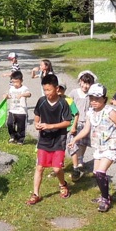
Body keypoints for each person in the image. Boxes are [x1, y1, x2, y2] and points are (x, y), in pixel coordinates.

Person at [70, 83, 116, 212]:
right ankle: (105, 195)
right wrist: (75, 139)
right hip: (99, 147)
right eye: (91, 98)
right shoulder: (90, 113)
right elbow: (86, 129)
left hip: (111, 146)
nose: (94, 102)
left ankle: (106, 200)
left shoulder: (110, 112)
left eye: (97, 99)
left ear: (104, 99)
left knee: (100, 172)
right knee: (96, 173)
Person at [26, 74, 73, 205]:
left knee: (56, 169)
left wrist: (50, 126)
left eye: (49, 90)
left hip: (59, 139)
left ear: (57, 88)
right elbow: (37, 116)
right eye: (44, 90)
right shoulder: (41, 101)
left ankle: (63, 184)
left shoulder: (63, 103)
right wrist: (37, 124)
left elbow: (67, 122)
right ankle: (35, 194)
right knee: (39, 167)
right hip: (44, 140)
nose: (47, 93)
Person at [68, 71, 96, 180]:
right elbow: (68, 103)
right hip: (76, 121)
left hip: (87, 121)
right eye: (84, 83)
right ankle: (76, 159)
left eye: (88, 84)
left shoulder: (91, 95)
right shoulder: (74, 92)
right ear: (80, 82)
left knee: (83, 142)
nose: (85, 86)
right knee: (75, 141)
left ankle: (80, 158)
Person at [5, 70, 31, 144]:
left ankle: (20, 139)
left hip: (21, 111)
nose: (15, 84)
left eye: (17, 82)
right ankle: (13, 136)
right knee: (9, 123)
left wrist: (22, 95)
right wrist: (6, 96)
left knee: (21, 126)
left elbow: (29, 94)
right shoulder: (12, 88)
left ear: (21, 81)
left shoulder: (24, 88)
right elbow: (9, 96)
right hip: (12, 110)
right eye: (13, 82)